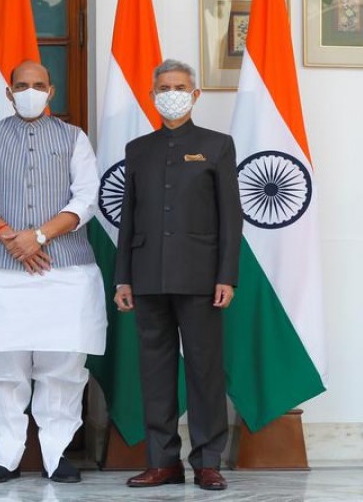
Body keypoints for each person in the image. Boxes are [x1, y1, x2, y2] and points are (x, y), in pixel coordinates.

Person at [0, 60, 107, 484]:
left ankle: (57, 456)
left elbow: (87, 196)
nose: (30, 91)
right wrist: (10, 237)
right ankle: (6, 455)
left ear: (51, 91)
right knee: (2, 364)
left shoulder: (74, 138)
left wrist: (37, 236)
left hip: (64, 269)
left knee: (62, 364)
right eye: (22, 85)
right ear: (9, 92)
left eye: (39, 85)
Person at [113, 59, 242, 491]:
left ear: (195, 93)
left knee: (205, 370)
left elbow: (231, 218)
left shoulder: (217, 145)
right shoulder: (138, 149)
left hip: (202, 277)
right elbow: (127, 220)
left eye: (180, 86)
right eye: (164, 87)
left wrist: (227, 275)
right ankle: (162, 461)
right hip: (147, 276)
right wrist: (122, 278)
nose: (172, 92)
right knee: (155, 371)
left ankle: (208, 461)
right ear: (152, 95)